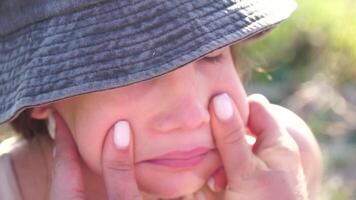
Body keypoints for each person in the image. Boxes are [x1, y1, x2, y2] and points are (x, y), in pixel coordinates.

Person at [0, 0, 321, 199]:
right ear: (41, 93)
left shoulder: (285, 164)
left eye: (211, 54)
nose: (190, 114)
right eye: (132, 67)